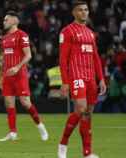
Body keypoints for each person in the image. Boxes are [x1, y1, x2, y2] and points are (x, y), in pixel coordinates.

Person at [58, 1, 107, 158]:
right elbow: (63, 59)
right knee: (80, 108)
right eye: (80, 10)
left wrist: (101, 79)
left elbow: (96, 58)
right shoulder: (67, 31)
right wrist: (65, 82)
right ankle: (63, 144)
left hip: (90, 78)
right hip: (76, 76)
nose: (84, 12)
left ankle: (87, 153)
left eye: (86, 10)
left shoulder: (90, 33)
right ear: (73, 12)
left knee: (87, 114)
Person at [0, 11, 48, 142]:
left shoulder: (22, 35)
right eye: (4, 20)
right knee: (9, 103)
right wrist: (2, 73)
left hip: (19, 74)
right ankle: (12, 132)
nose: (4, 22)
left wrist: (17, 67)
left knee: (25, 103)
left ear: (15, 21)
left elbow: (28, 55)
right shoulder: (4, 39)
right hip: (7, 75)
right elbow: (5, 57)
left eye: (6, 20)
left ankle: (40, 126)